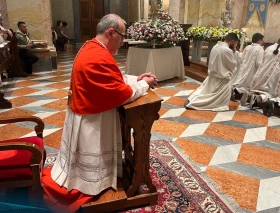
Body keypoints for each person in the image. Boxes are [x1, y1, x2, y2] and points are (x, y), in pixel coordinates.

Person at [42, 14, 158, 213]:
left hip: (88, 111)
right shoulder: (96, 55)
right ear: (111, 33)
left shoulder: (93, 48)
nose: (122, 43)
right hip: (92, 119)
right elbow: (120, 94)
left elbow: (112, 78)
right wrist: (143, 85)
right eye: (121, 37)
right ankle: (94, 182)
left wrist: (135, 78)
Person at [185, 33, 239, 111]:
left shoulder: (216, 46)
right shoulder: (227, 50)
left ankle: (193, 100)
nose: (236, 45)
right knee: (213, 99)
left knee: (206, 93)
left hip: (212, 76)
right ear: (232, 41)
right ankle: (195, 103)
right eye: (236, 43)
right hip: (222, 79)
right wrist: (234, 52)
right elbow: (232, 65)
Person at [249, 39, 280, 116]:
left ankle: (259, 98)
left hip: (264, 75)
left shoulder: (270, 47)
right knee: (275, 94)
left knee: (268, 92)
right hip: (276, 77)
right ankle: (273, 103)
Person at [232, 33, 264, 105]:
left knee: (243, 84)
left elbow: (242, 58)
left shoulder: (248, 47)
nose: (262, 42)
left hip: (244, 69)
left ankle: (242, 99)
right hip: (252, 71)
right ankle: (236, 91)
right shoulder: (260, 49)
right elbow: (259, 63)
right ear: (259, 40)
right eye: (262, 40)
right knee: (249, 87)